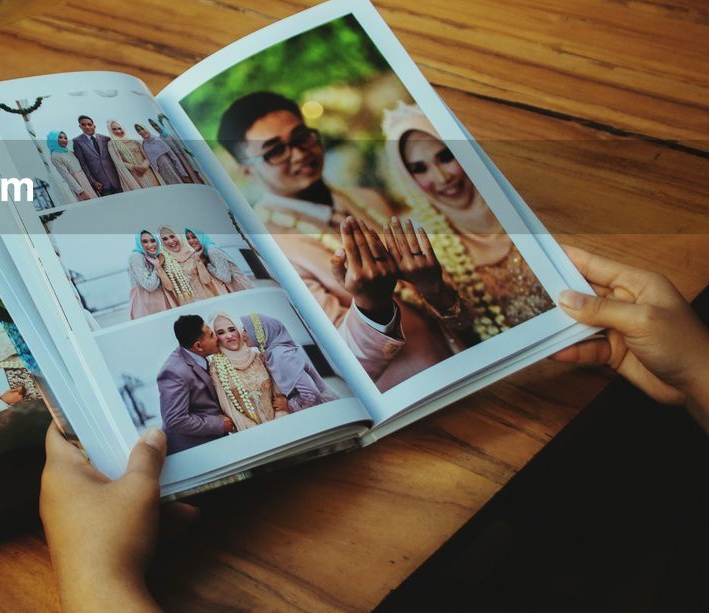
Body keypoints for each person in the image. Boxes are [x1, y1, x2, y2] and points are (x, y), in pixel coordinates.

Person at [40, 247, 709, 611]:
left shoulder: (267, 321)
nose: (223, 330)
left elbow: (309, 371)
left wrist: (94, 574)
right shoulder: (183, 356)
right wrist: (698, 374)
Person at [217, 91, 455, 388]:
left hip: (461, 353)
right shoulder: (266, 250)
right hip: (413, 390)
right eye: (275, 151)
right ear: (248, 171)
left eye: (302, 136)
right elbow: (337, 361)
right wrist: (372, 306)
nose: (300, 154)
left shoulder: (366, 199)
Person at [381, 102, 553, 345]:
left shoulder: (524, 198)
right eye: (419, 169)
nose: (442, 178)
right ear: (407, 179)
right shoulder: (429, 245)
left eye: (446, 156)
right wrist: (434, 289)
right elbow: (466, 331)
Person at [156, 314, 235, 453]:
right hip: (195, 450)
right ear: (198, 346)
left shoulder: (200, 356)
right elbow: (175, 420)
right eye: (211, 335)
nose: (217, 337)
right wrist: (218, 425)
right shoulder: (174, 372)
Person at [233, 311, 337, 412]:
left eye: (246, 330)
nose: (242, 334)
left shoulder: (282, 355)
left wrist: (289, 405)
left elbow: (312, 395)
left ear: (259, 332)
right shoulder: (272, 353)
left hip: (327, 408)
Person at [206, 312, 283, 431]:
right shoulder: (216, 368)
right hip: (250, 432)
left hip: (281, 422)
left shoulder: (259, 356)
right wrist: (255, 431)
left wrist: (280, 419)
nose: (229, 335)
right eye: (221, 333)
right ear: (216, 338)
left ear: (239, 330)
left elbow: (279, 393)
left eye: (232, 329)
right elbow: (229, 408)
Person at [158, 224, 223, 302]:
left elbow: (206, 280)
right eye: (165, 239)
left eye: (172, 236)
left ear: (179, 236)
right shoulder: (164, 260)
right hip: (185, 302)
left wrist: (198, 260)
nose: (170, 241)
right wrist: (158, 267)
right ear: (162, 242)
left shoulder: (194, 253)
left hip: (207, 296)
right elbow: (169, 288)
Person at [185, 228, 255, 292]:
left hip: (241, 286)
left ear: (201, 237)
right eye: (188, 238)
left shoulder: (212, 251)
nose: (191, 241)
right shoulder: (205, 252)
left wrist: (209, 266)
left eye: (194, 237)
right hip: (236, 287)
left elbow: (226, 278)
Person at [129, 229, 177, 319]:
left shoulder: (157, 256)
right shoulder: (136, 257)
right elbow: (150, 285)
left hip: (162, 302)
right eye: (144, 242)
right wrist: (157, 266)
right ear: (139, 243)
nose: (150, 245)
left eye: (153, 240)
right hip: (147, 306)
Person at [72, 115, 122, 196]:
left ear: (94, 126)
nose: (87, 127)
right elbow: (83, 164)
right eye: (83, 125)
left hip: (117, 179)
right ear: (80, 126)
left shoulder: (106, 139)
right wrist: (93, 181)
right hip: (100, 184)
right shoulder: (77, 141)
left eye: (89, 124)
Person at [107, 120, 161, 191]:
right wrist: (133, 167)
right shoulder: (111, 144)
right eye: (114, 129)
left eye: (119, 128)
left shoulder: (134, 141)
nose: (118, 131)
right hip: (134, 175)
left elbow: (147, 155)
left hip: (148, 171)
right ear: (110, 130)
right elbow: (117, 161)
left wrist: (144, 166)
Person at [46, 129, 97, 203]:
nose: (64, 140)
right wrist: (80, 191)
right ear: (53, 139)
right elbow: (66, 175)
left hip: (85, 179)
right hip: (78, 183)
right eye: (60, 137)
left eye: (65, 138)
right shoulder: (55, 156)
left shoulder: (69, 151)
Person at [150, 116, 205, 185]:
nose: (155, 127)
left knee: (192, 172)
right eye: (153, 126)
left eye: (155, 125)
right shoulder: (160, 138)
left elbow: (181, 145)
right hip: (176, 159)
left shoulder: (170, 133)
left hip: (183, 156)